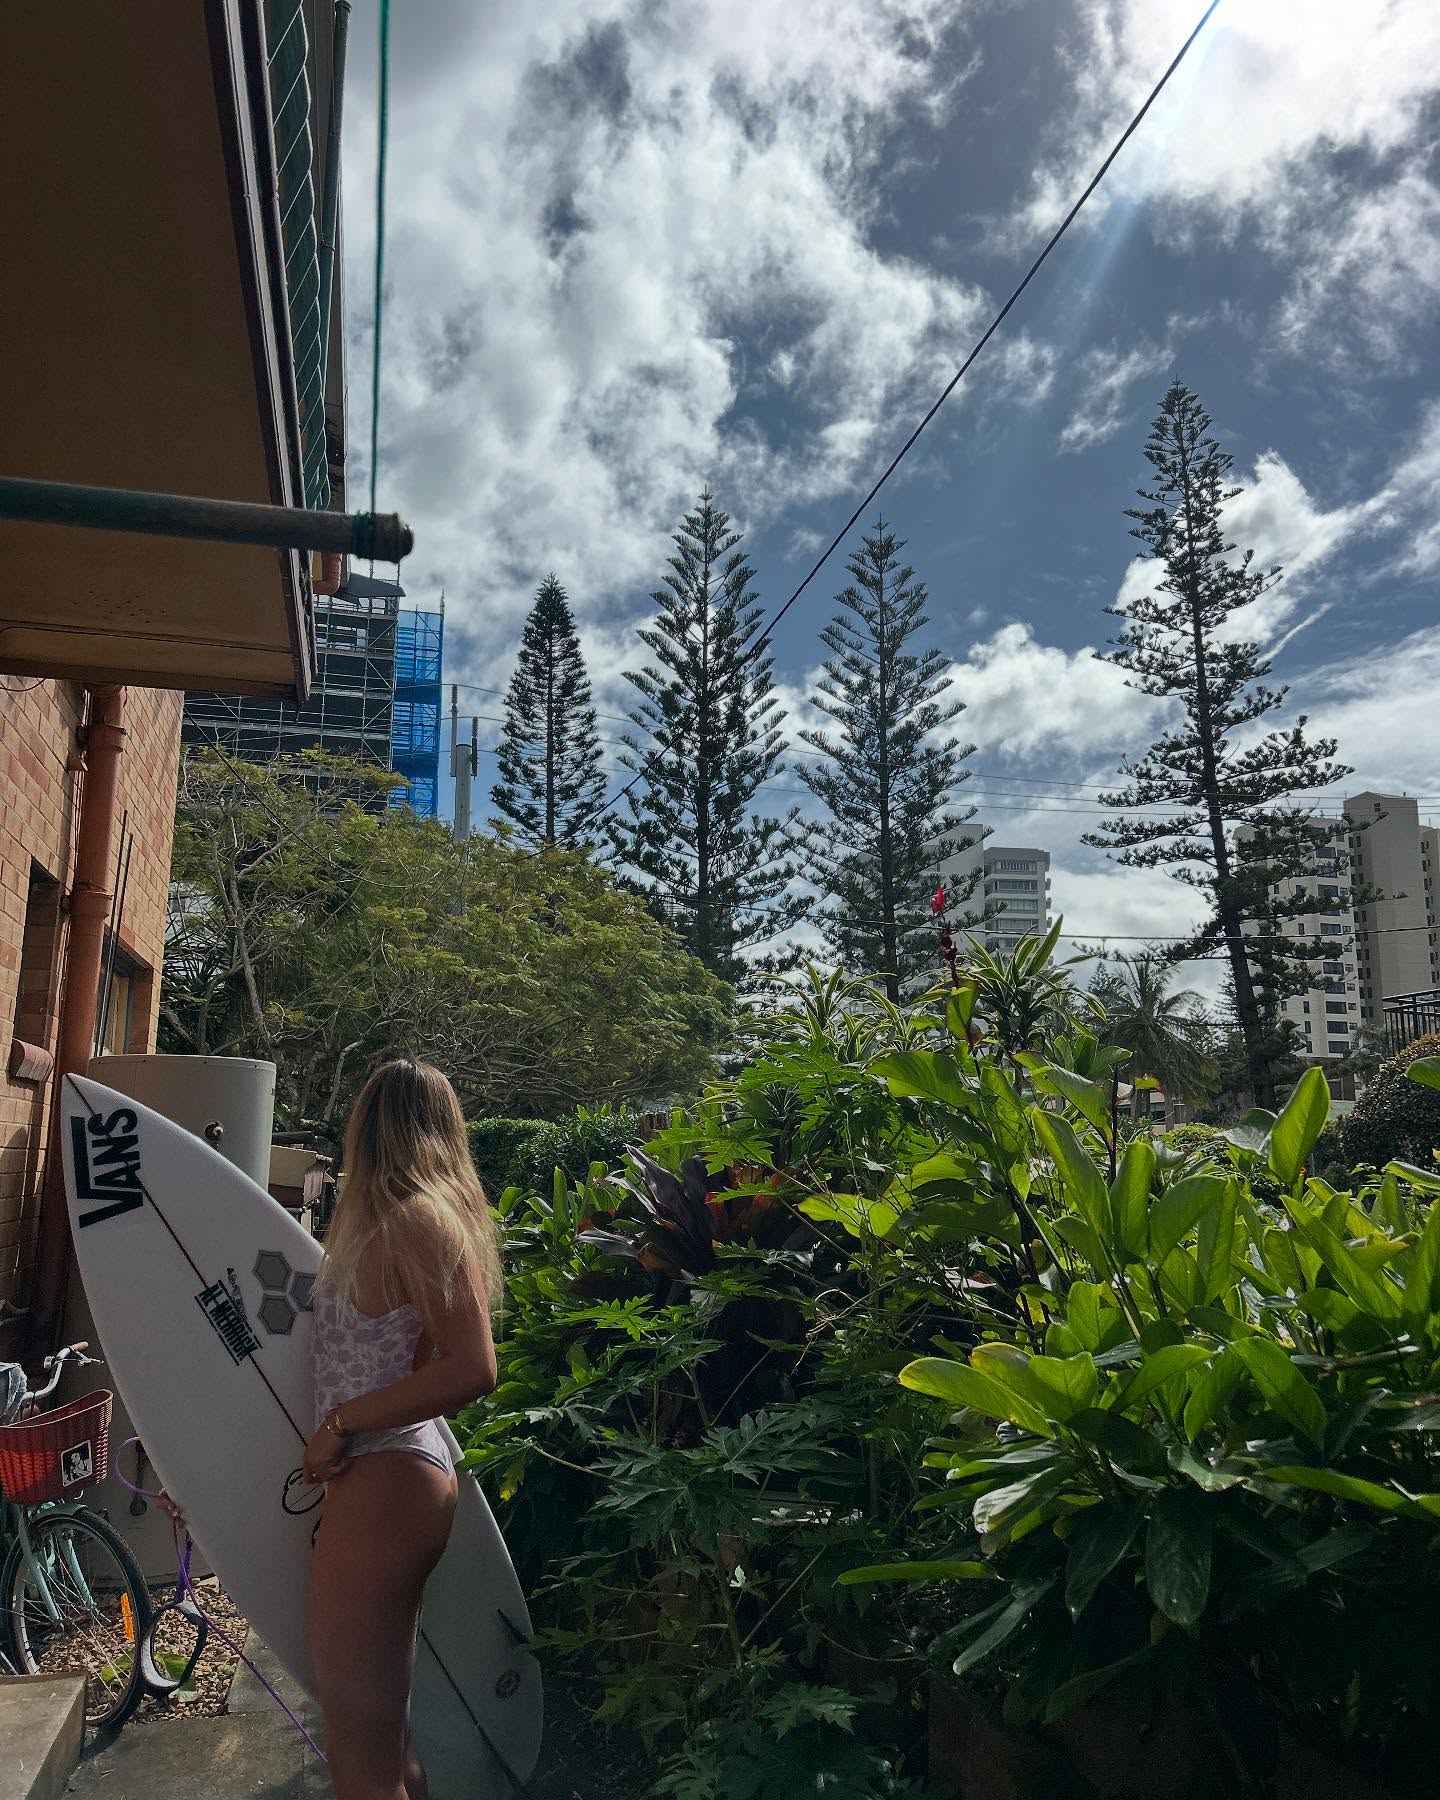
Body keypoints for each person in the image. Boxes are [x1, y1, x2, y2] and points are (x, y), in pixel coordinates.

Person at [302, 1059, 501, 1800]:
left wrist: (340, 1424)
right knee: (382, 1738)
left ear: (370, 1127)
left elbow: (474, 1367)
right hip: (388, 1479)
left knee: (360, 1753)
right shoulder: (397, 1221)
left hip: (386, 1477)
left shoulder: (417, 1219)